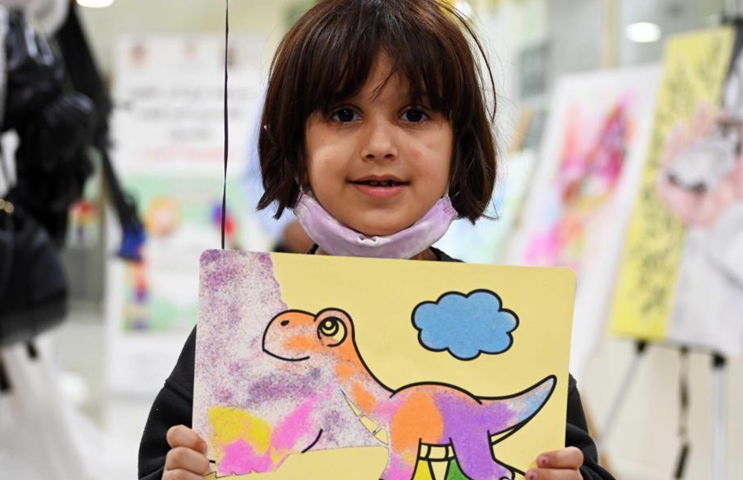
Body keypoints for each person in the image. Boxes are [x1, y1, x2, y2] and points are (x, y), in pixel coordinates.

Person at [138, 1, 614, 479]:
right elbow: (163, 459)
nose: (379, 145)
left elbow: (577, 462)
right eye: (344, 114)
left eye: (415, 113)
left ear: (460, 145)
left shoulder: (511, 331)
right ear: (295, 146)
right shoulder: (235, 330)